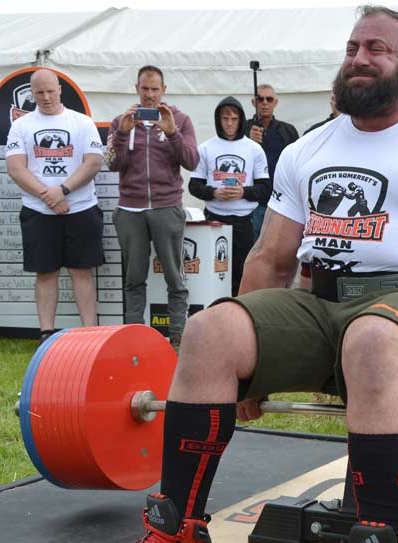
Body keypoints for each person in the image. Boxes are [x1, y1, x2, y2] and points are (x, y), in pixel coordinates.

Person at [81, 6, 398, 543]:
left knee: (371, 338)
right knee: (210, 329)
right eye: (352, 48)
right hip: (321, 304)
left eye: (377, 49)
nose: (359, 58)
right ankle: (178, 537)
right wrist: (249, 366)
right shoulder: (307, 150)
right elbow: (270, 260)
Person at [5, 69, 104, 342]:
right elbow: (15, 167)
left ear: (60, 89)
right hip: (38, 211)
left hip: (81, 208)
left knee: (82, 272)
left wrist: (63, 190)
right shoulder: (21, 126)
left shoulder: (82, 122)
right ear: (32, 94)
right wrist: (48, 196)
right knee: (45, 273)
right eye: (39, 92)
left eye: (50, 91)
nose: (46, 97)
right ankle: (46, 333)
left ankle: (89, 333)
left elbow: (93, 162)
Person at [107, 65, 199, 348]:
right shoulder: (120, 121)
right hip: (130, 210)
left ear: (164, 90)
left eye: (154, 89)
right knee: (134, 279)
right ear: (136, 89)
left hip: (166, 207)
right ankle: (134, 341)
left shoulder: (180, 119)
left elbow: (192, 162)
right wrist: (123, 134)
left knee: (175, 278)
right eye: (144, 89)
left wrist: (172, 132)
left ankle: (178, 341)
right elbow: (112, 164)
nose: (149, 95)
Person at [188, 96, 270, 295]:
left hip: (244, 222)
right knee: (215, 271)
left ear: (241, 120)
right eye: (225, 118)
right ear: (218, 120)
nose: (230, 123)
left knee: (242, 273)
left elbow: (265, 188)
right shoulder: (206, 148)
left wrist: (243, 192)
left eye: (234, 118)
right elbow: (193, 185)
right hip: (215, 221)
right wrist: (214, 193)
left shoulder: (254, 149)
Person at [246, 84, 298, 238]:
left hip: (279, 201)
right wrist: (247, 139)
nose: (265, 103)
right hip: (250, 200)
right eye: (260, 99)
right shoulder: (243, 128)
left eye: (269, 99)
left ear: (275, 102)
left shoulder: (288, 130)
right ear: (254, 103)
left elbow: (295, 164)